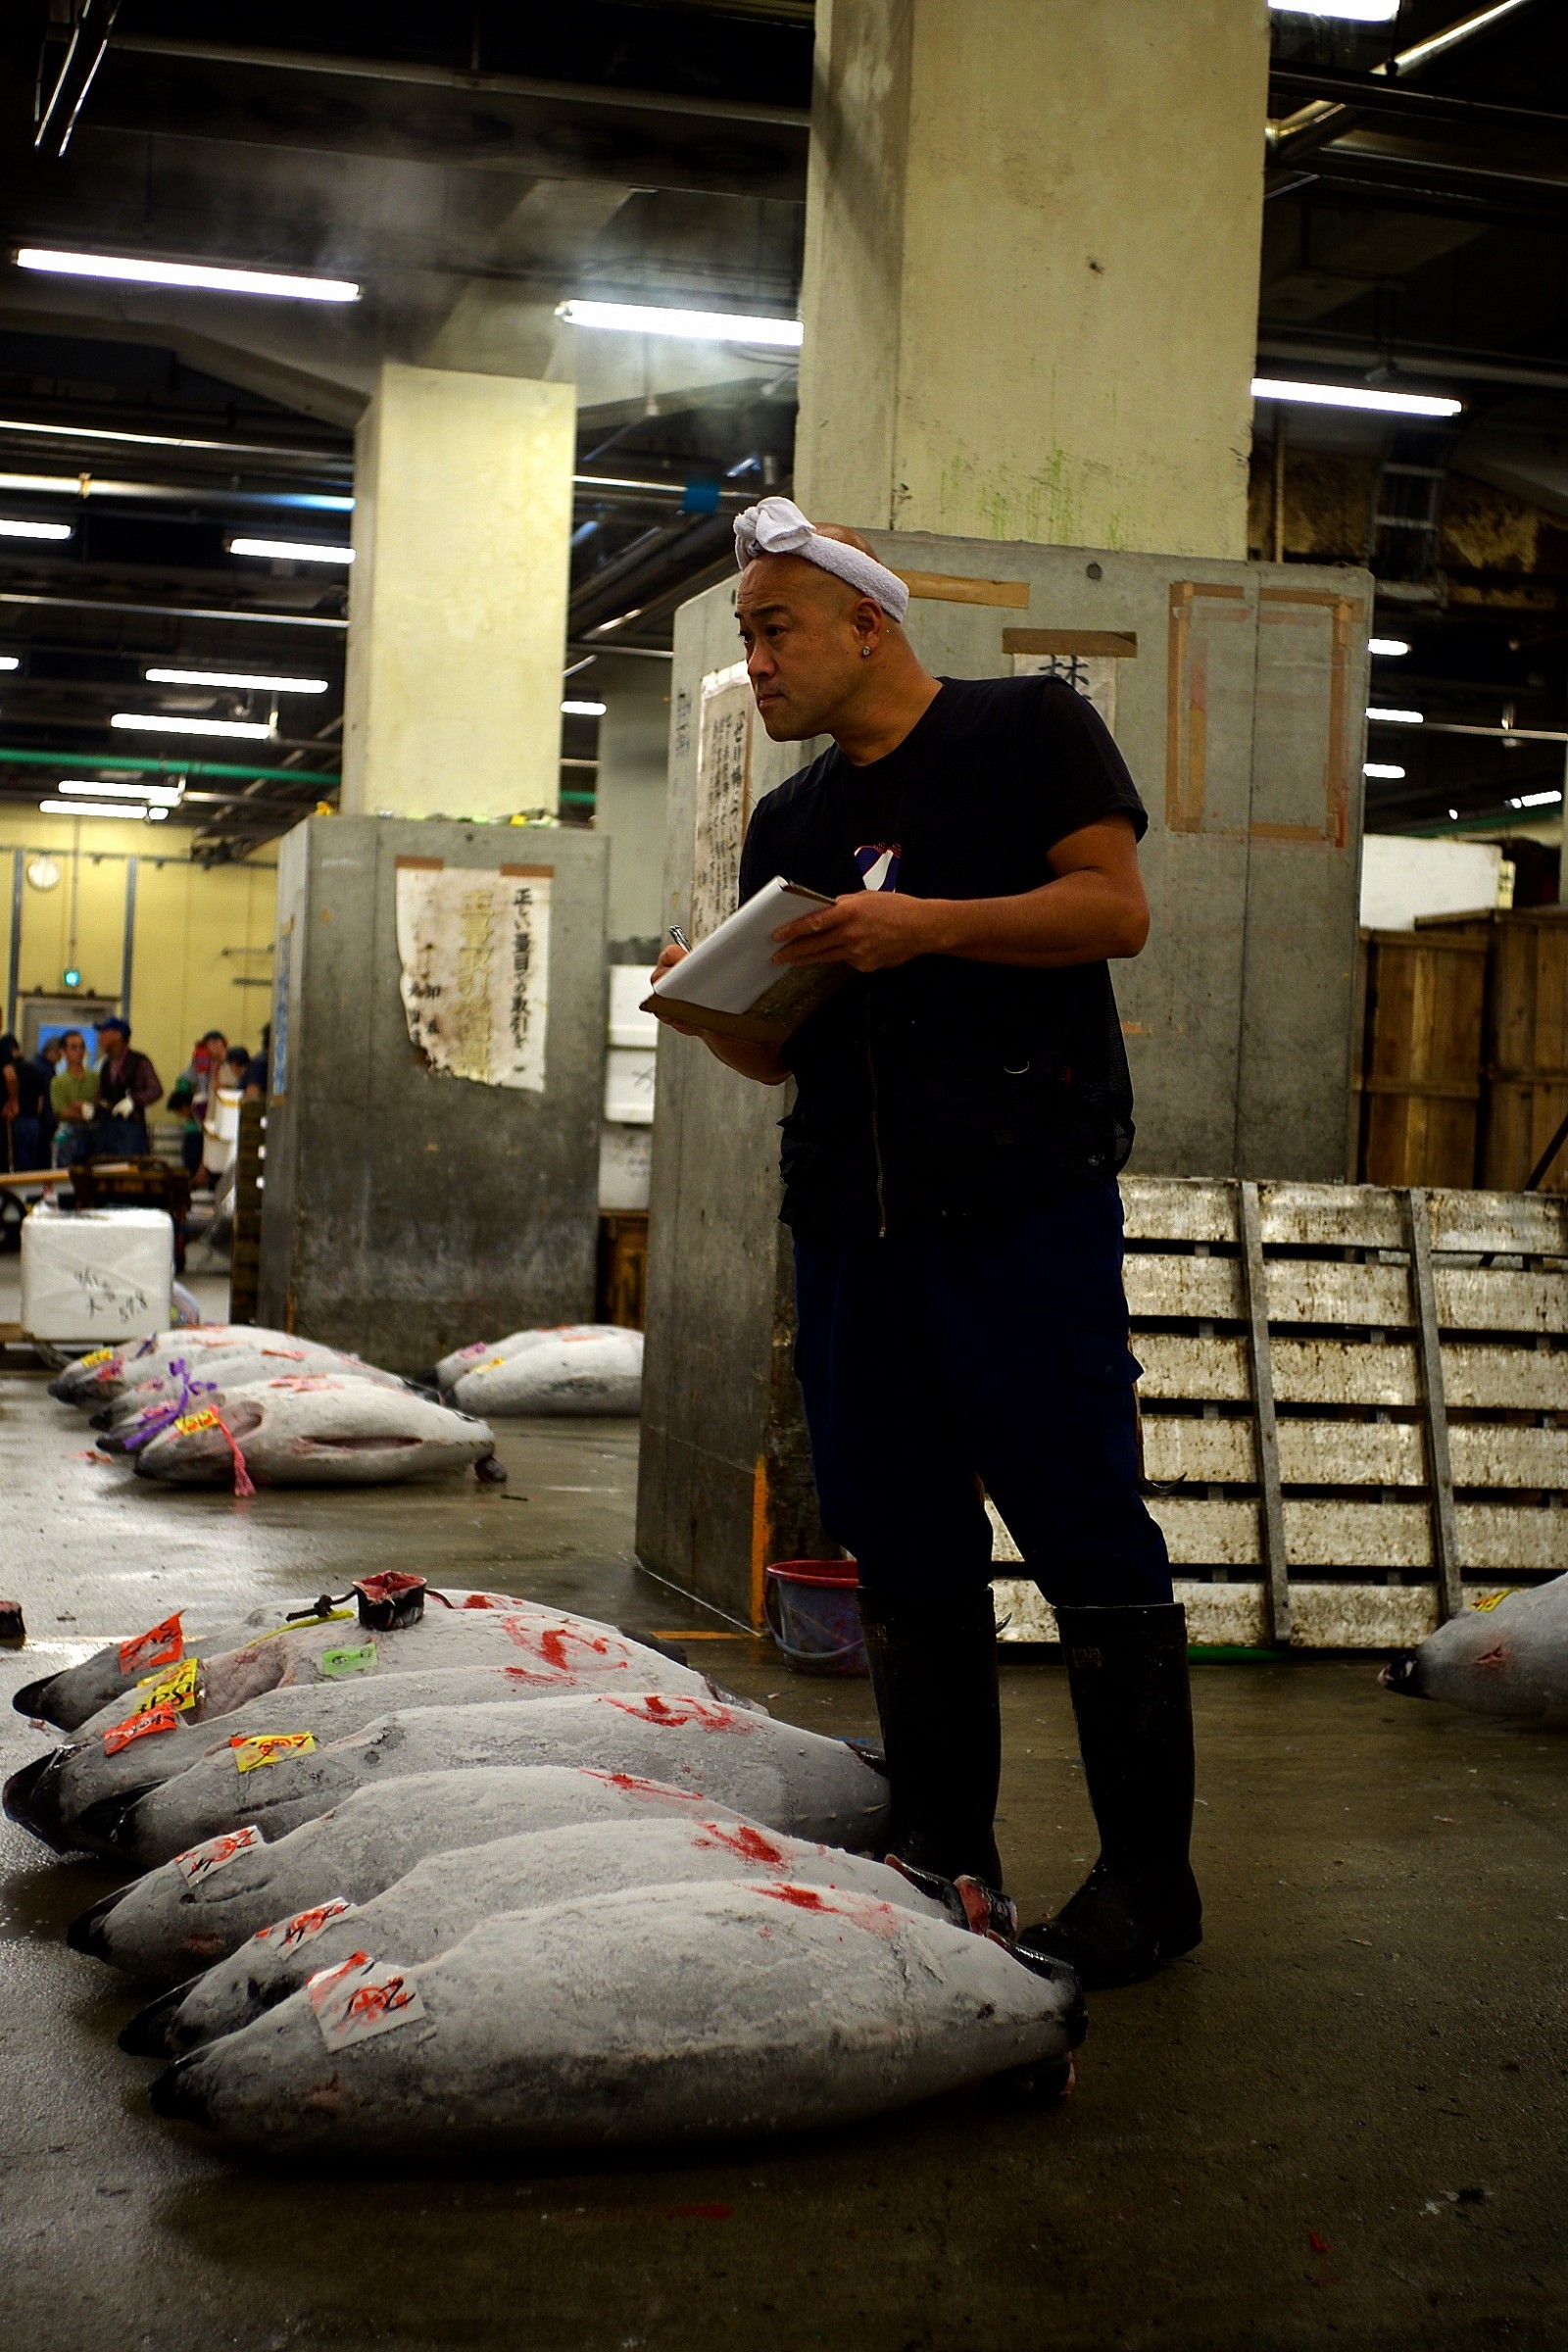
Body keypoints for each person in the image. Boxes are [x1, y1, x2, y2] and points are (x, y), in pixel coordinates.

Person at [650, 495, 1198, 1990]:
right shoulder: (795, 820)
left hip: (1019, 1211)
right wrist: (714, 1009)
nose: (754, 662)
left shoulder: (1028, 731)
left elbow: (1115, 911)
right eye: (747, 637)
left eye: (773, 631)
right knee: (901, 1544)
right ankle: (946, 1851)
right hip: (851, 1232)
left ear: (863, 625)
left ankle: (1152, 1880)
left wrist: (926, 926)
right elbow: (784, 1058)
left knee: (1086, 1532)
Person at [92, 1015, 163, 1156]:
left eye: (104, 1032)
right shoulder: (106, 1064)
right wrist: (93, 1108)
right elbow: (101, 1094)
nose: (100, 1037)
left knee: (130, 1172)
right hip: (107, 1129)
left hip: (131, 1129)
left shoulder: (140, 1062)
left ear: (118, 1035)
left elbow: (156, 1090)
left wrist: (134, 1100)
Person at [0, 1033, 48, 1173]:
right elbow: (40, 1101)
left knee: (15, 1159)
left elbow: (10, 1076)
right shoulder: (35, 1069)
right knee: (29, 1163)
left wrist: (12, 1101)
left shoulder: (9, 1067)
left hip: (13, 1120)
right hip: (32, 1120)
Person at [49, 1029, 99, 1163]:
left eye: (82, 1047)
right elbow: (61, 1112)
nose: (79, 1051)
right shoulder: (58, 1081)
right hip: (68, 1135)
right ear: (63, 1052)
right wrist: (85, 1112)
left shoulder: (94, 1078)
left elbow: (98, 1105)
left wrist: (80, 1106)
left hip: (93, 1135)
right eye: (73, 1047)